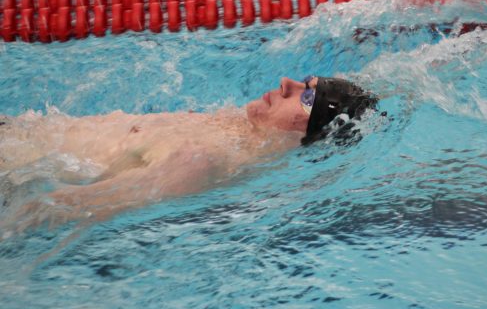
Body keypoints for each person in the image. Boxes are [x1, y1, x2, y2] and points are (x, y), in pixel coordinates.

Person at [0, 76, 377, 230]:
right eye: (304, 80)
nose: (286, 83)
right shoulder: (230, 127)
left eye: (307, 96)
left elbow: (53, 208)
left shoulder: (199, 160)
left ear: (308, 136)